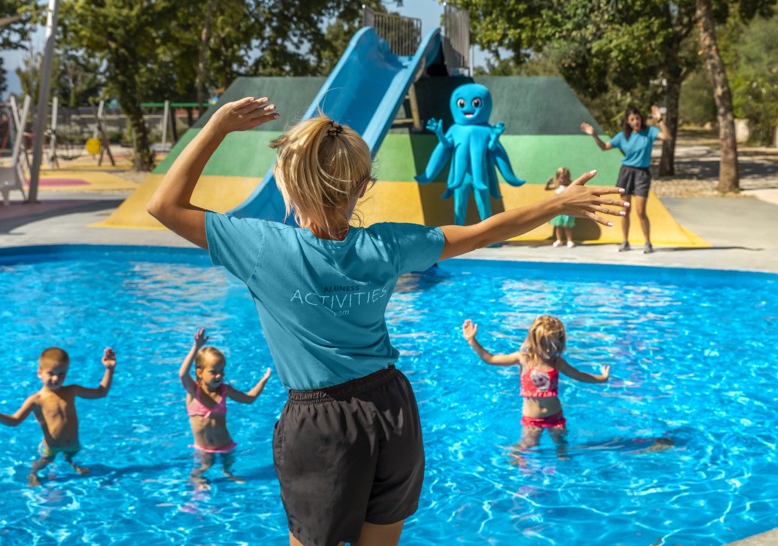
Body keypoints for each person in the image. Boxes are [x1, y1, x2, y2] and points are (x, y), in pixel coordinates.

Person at [145, 96, 627, 546]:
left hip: (320, 421)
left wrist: (218, 125)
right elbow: (482, 232)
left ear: (287, 184)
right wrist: (557, 203)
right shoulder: (389, 245)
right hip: (391, 408)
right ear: (362, 186)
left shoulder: (261, 247)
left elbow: (163, 205)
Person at [462, 316, 610, 459]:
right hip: (532, 419)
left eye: (554, 346)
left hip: (555, 415)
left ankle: (562, 462)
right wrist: (472, 340)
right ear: (533, 340)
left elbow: (579, 375)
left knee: (561, 442)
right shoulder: (523, 359)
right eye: (544, 345)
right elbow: (491, 359)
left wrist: (602, 378)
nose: (548, 350)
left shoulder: (557, 362)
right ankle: (513, 460)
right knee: (530, 443)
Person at [0, 346, 116, 486]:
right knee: (44, 462)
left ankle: (71, 463)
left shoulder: (72, 390)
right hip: (50, 447)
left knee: (71, 456)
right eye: (51, 373)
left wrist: (109, 369)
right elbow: (15, 421)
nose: (56, 379)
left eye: (61, 374)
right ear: (40, 373)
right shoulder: (36, 400)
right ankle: (32, 474)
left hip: (73, 443)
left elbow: (101, 393)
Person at [179, 327, 272, 486]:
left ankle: (228, 474)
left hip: (225, 444)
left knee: (228, 466)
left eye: (222, 371)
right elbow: (182, 374)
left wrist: (263, 380)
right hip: (204, 448)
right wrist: (196, 347)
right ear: (200, 373)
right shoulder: (194, 392)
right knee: (203, 467)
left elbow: (249, 399)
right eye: (214, 371)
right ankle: (196, 481)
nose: (219, 375)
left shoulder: (225, 391)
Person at [580, 105, 671, 253]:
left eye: (638, 118)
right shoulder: (622, 136)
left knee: (641, 211)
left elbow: (667, 137)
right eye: (632, 119)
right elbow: (604, 147)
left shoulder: (649, 132)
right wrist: (593, 134)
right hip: (626, 172)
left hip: (643, 173)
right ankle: (625, 241)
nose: (636, 121)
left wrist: (660, 120)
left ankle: (647, 242)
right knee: (625, 210)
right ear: (628, 121)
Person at [544, 167, 575, 247]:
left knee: (567, 225)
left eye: (565, 177)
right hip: (558, 209)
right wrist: (548, 183)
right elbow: (546, 189)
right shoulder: (557, 185)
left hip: (568, 209)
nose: (563, 180)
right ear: (558, 177)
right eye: (561, 178)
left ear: (568, 177)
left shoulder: (570, 186)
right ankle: (559, 240)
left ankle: (569, 240)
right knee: (558, 225)